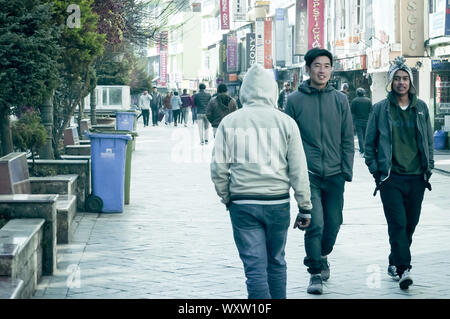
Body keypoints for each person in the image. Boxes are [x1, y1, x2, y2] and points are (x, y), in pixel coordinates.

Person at [210, 63, 312, 299]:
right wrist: (305, 206)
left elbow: (218, 168)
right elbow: (298, 168)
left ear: (244, 91)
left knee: (254, 268)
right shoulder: (286, 122)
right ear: (272, 91)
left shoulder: (230, 122)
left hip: (243, 204)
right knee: (276, 261)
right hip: (277, 203)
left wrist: (227, 196)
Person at [285, 48, 354, 295]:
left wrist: (347, 170)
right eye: (317, 65)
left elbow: (348, 137)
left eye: (326, 65)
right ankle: (315, 272)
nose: (322, 70)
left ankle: (322, 255)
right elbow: (288, 140)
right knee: (315, 224)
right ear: (307, 69)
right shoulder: (293, 101)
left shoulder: (340, 99)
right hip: (309, 175)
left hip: (335, 174)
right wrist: (293, 174)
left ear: (331, 69)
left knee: (333, 224)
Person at [364, 56, 434, 290]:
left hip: (416, 178)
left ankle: (394, 261)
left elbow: (428, 141)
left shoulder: (421, 108)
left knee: (410, 225)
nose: (401, 83)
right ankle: (404, 268)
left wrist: (429, 167)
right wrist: (377, 172)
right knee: (397, 224)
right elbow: (369, 144)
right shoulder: (380, 109)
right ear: (391, 82)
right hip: (390, 178)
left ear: (410, 83)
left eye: (405, 79)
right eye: (397, 79)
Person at [350, 88, 372, 156]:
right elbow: (371, 111)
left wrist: (352, 122)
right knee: (366, 136)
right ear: (364, 93)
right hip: (367, 121)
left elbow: (352, 112)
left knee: (360, 136)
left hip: (358, 121)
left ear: (357, 93)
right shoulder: (368, 100)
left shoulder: (354, 101)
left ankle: (362, 150)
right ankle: (366, 150)